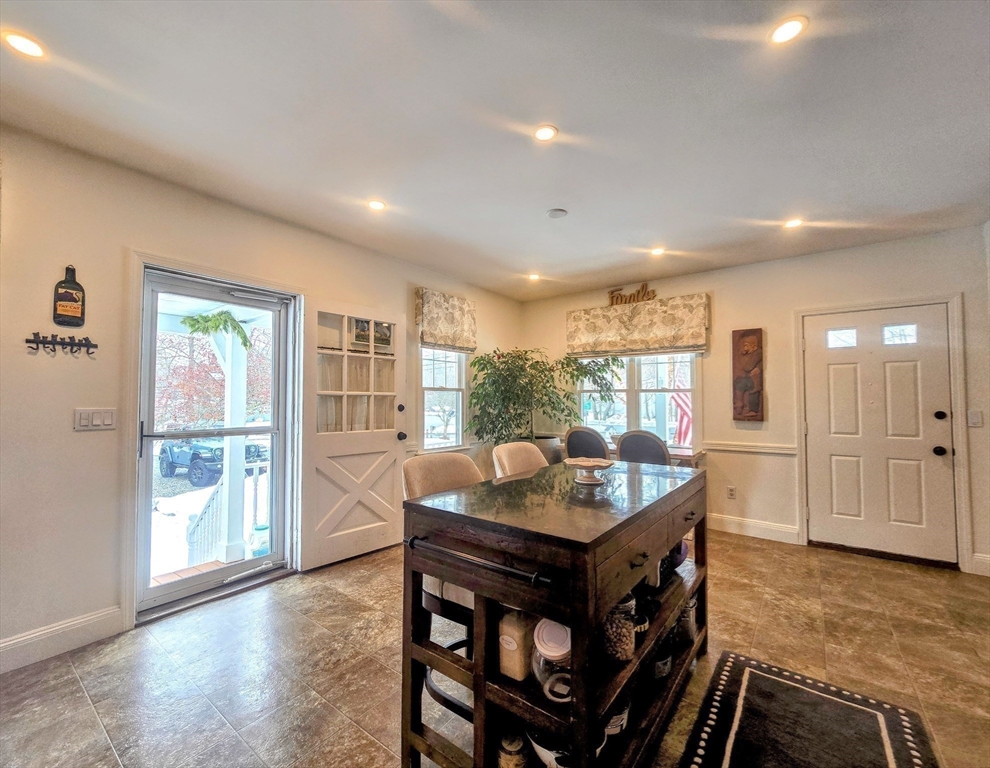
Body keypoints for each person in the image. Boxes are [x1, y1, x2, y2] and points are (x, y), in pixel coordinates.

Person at [733, 333, 762, 418]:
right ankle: (739, 403)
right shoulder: (750, 354)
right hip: (749, 377)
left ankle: (753, 410)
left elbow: (748, 367)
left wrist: (744, 355)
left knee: (752, 387)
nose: (745, 348)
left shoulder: (758, 353)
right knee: (738, 382)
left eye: (746, 346)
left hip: (755, 378)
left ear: (753, 346)